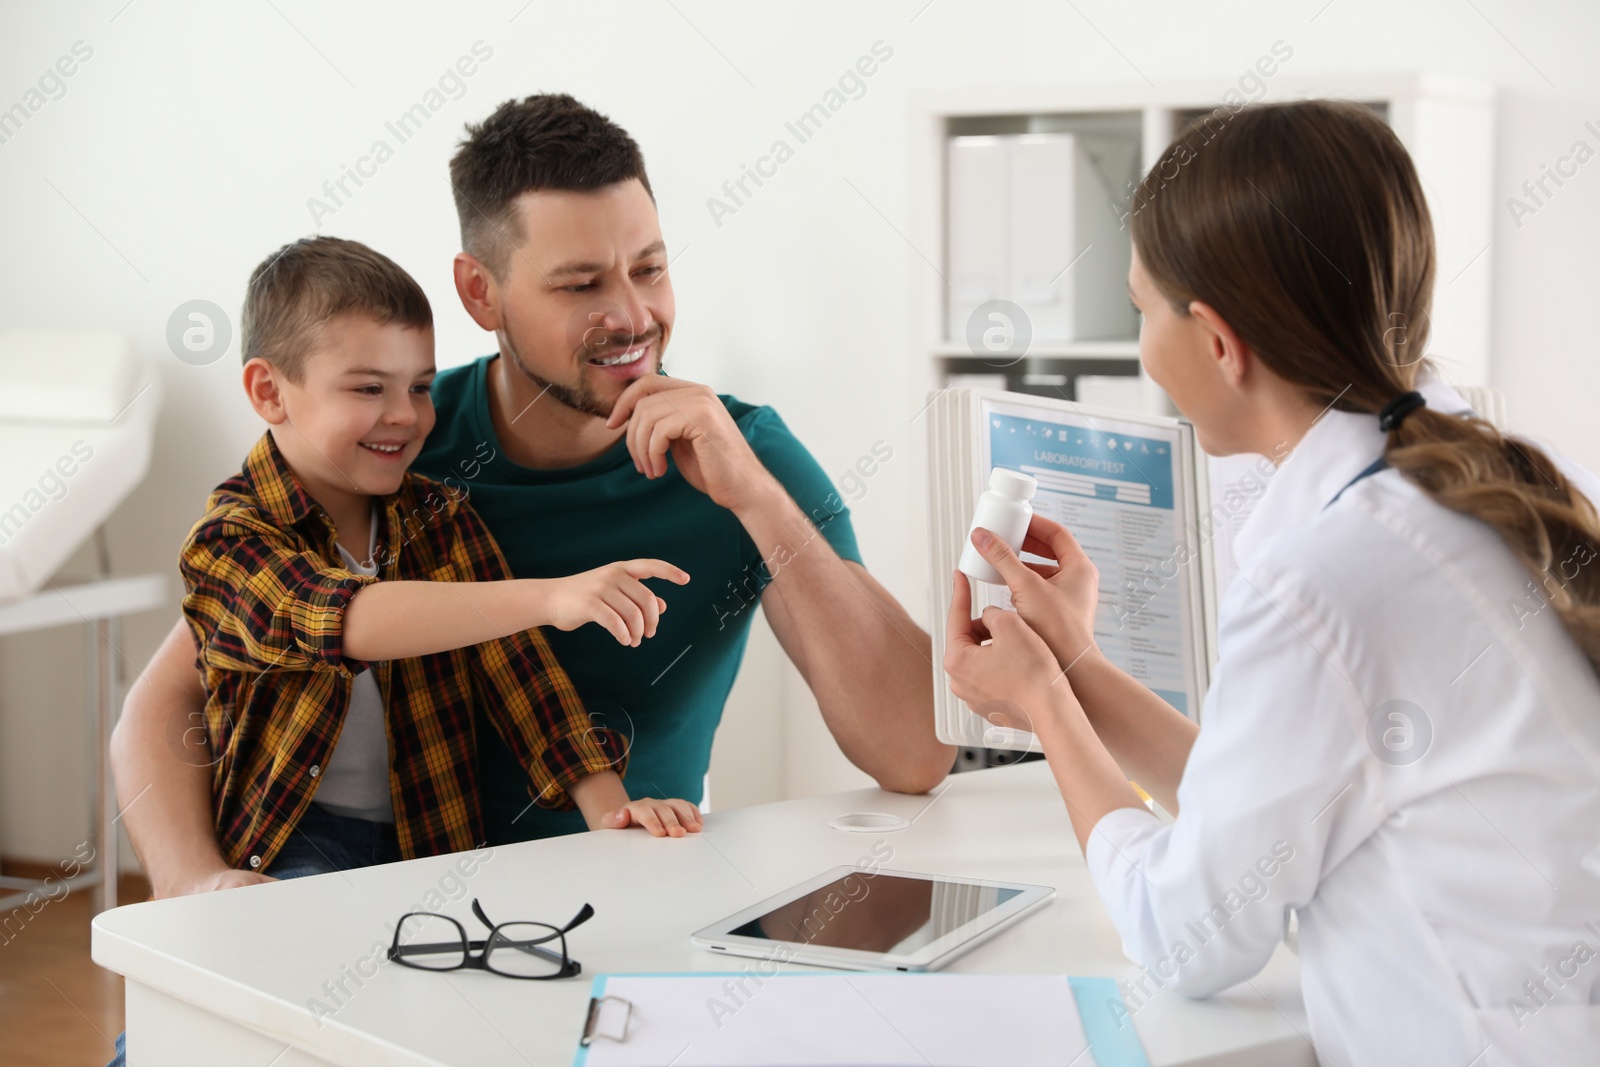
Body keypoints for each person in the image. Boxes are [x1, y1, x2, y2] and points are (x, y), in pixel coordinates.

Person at [110, 94, 950, 898]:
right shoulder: (392, 447)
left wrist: (756, 502)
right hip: (392, 904)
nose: (632, 317)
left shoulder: (744, 455)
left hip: (625, 899)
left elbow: (916, 756)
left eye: (649, 269)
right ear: (481, 293)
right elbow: (171, 695)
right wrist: (190, 887)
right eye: (580, 285)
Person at [943, 100, 1600, 1066]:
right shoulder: (1483, 486)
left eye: (1140, 310)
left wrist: (1045, 705)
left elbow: (1190, 934)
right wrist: (1075, 667)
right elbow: (1275, 799)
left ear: (1215, 341)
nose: (1140, 346)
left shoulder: (1324, 575)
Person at [190, 234, 703, 883]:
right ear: (269, 391)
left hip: (434, 840)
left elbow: (525, 681)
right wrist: (549, 595)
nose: (404, 416)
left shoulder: (444, 520)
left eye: (422, 387)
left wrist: (614, 815)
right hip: (292, 844)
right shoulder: (228, 539)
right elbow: (343, 619)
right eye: (370, 388)